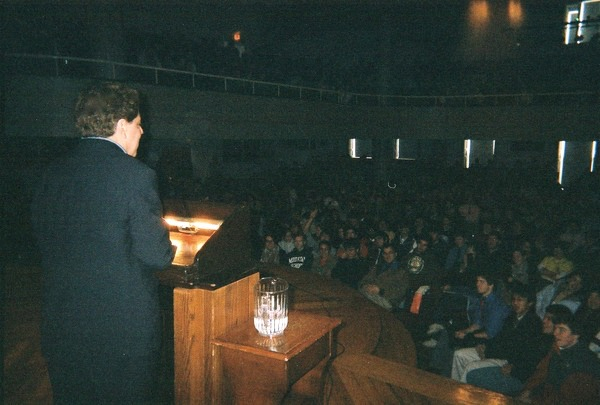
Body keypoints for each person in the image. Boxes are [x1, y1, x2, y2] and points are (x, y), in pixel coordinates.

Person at [31, 82, 175, 404]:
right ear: (122, 127)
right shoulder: (136, 176)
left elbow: (43, 238)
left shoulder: (51, 174)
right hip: (120, 335)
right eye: (138, 125)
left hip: (63, 327)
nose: (142, 132)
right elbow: (157, 256)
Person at [450, 284, 542, 389]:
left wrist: (488, 352)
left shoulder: (533, 323)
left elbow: (514, 349)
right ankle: (455, 388)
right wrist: (483, 345)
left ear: (530, 303)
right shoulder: (511, 317)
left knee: (471, 368)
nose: (515, 303)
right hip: (494, 352)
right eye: (514, 299)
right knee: (459, 355)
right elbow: (499, 337)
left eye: (520, 300)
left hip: (507, 361)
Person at [359, 243, 409, 311]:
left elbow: (401, 291)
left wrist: (380, 291)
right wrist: (365, 286)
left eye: (390, 253)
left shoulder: (402, 271)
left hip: (387, 300)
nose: (387, 256)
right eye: (385, 253)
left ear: (395, 254)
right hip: (370, 294)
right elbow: (364, 280)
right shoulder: (378, 267)